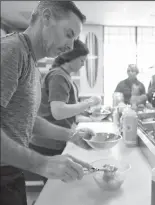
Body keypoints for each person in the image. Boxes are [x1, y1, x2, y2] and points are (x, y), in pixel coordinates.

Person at [1, 2, 93, 205]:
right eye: (68, 34)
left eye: (74, 39)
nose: (70, 47)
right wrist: (42, 163)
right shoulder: (11, 51)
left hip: (11, 171)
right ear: (46, 18)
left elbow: (26, 119)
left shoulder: (32, 65)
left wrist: (71, 135)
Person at [29, 39, 101, 167]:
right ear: (71, 57)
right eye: (81, 60)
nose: (83, 65)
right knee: (55, 184)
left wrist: (77, 127)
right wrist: (90, 102)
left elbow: (65, 110)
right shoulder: (58, 76)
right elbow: (58, 112)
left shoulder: (63, 75)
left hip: (56, 138)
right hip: (49, 142)